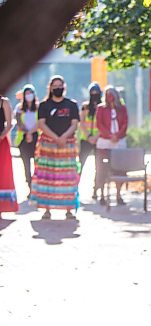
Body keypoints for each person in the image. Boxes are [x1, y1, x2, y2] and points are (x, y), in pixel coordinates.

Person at [30, 75, 80, 220]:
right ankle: (46, 209)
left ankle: (69, 209)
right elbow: (41, 124)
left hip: (67, 144)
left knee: (67, 176)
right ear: (50, 88)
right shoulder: (44, 105)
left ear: (64, 87)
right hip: (48, 145)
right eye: (55, 86)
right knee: (48, 176)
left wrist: (64, 137)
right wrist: (55, 138)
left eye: (60, 86)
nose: (58, 88)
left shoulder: (71, 104)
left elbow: (74, 123)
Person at [95, 85, 128, 206]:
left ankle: (118, 194)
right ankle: (102, 195)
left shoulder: (122, 109)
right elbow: (99, 124)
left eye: (112, 94)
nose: (110, 98)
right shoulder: (101, 108)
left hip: (119, 141)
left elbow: (125, 123)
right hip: (105, 142)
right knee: (102, 169)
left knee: (120, 169)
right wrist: (109, 135)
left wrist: (117, 136)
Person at [14, 84, 39, 198]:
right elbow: (19, 123)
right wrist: (27, 132)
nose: (29, 95)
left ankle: (36, 187)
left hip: (36, 138)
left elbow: (40, 122)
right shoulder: (19, 108)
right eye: (27, 93)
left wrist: (31, 132)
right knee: (26, 165)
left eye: (31, 93)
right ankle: (29, 187)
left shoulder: (39, 107)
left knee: (37, 165)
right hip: (23, 139)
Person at [79, 82, 101, 199]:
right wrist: (88, 136)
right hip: (86, 139)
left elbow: (103, 123)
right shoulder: (85, 106)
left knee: (99, 166)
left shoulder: (102, 106)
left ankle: (96, 189)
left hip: (99, 140)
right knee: (80, 164)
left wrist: (96, 137)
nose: (94, 95)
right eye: (92, 93)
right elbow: (81, 122)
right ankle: (75, 188)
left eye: (96, 93)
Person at [0, 96, 19, 219]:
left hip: (1, 142)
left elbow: (10, 123)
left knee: (2, 174)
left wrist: (1, 136)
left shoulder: (4, 102)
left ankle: (2, 207)